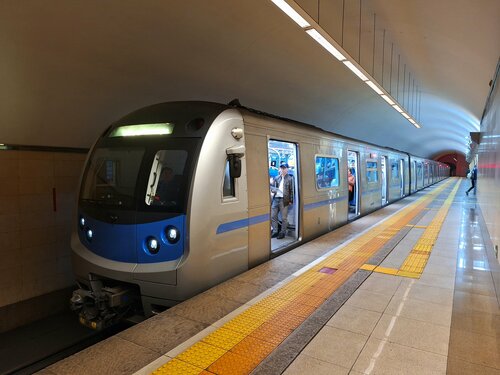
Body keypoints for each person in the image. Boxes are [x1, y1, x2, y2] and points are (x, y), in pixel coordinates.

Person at [270, 163, 294, 239]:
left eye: (284, 168)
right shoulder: (277, 178)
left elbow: (292, 190)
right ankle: (275, 231)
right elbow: (273, 187)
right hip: (276, 199)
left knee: (284, 218)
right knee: (273, 216)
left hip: (284, 200)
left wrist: (291, 200)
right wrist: (273, 190)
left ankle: (282, 232)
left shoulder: (290, 179)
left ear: (287, 169)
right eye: (281, 168)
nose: (282, 170)